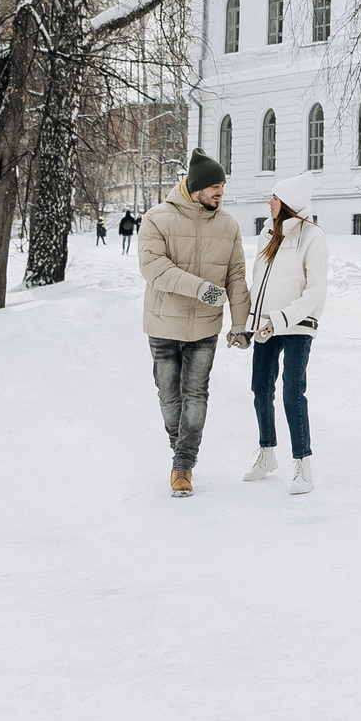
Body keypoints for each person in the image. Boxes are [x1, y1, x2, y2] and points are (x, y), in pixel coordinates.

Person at [136, 150, 249, 497]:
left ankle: (183, 464)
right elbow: (153, 268)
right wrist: (201, 289)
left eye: (223, 186)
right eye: (214, 186)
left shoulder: (228, 224)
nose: (220, 192)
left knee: (196, 395)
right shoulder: (157, 219)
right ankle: (180, 450)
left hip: (204, 329)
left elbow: (236, 277)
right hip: (163, 326)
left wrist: (240, 325)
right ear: (195, 187)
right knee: (169, 397)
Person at [238, 175, 329, 495]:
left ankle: (303, 464)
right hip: (266, 325)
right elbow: (258, 284)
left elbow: (315, 291)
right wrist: (248, 327)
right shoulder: (267, 232)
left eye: (273, 198)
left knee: (292, 391)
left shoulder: (312, 236)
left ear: (288, 203)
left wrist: (281, 319)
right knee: (260, 388)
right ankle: (267, 454)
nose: (269, 203)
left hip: (297, 325)